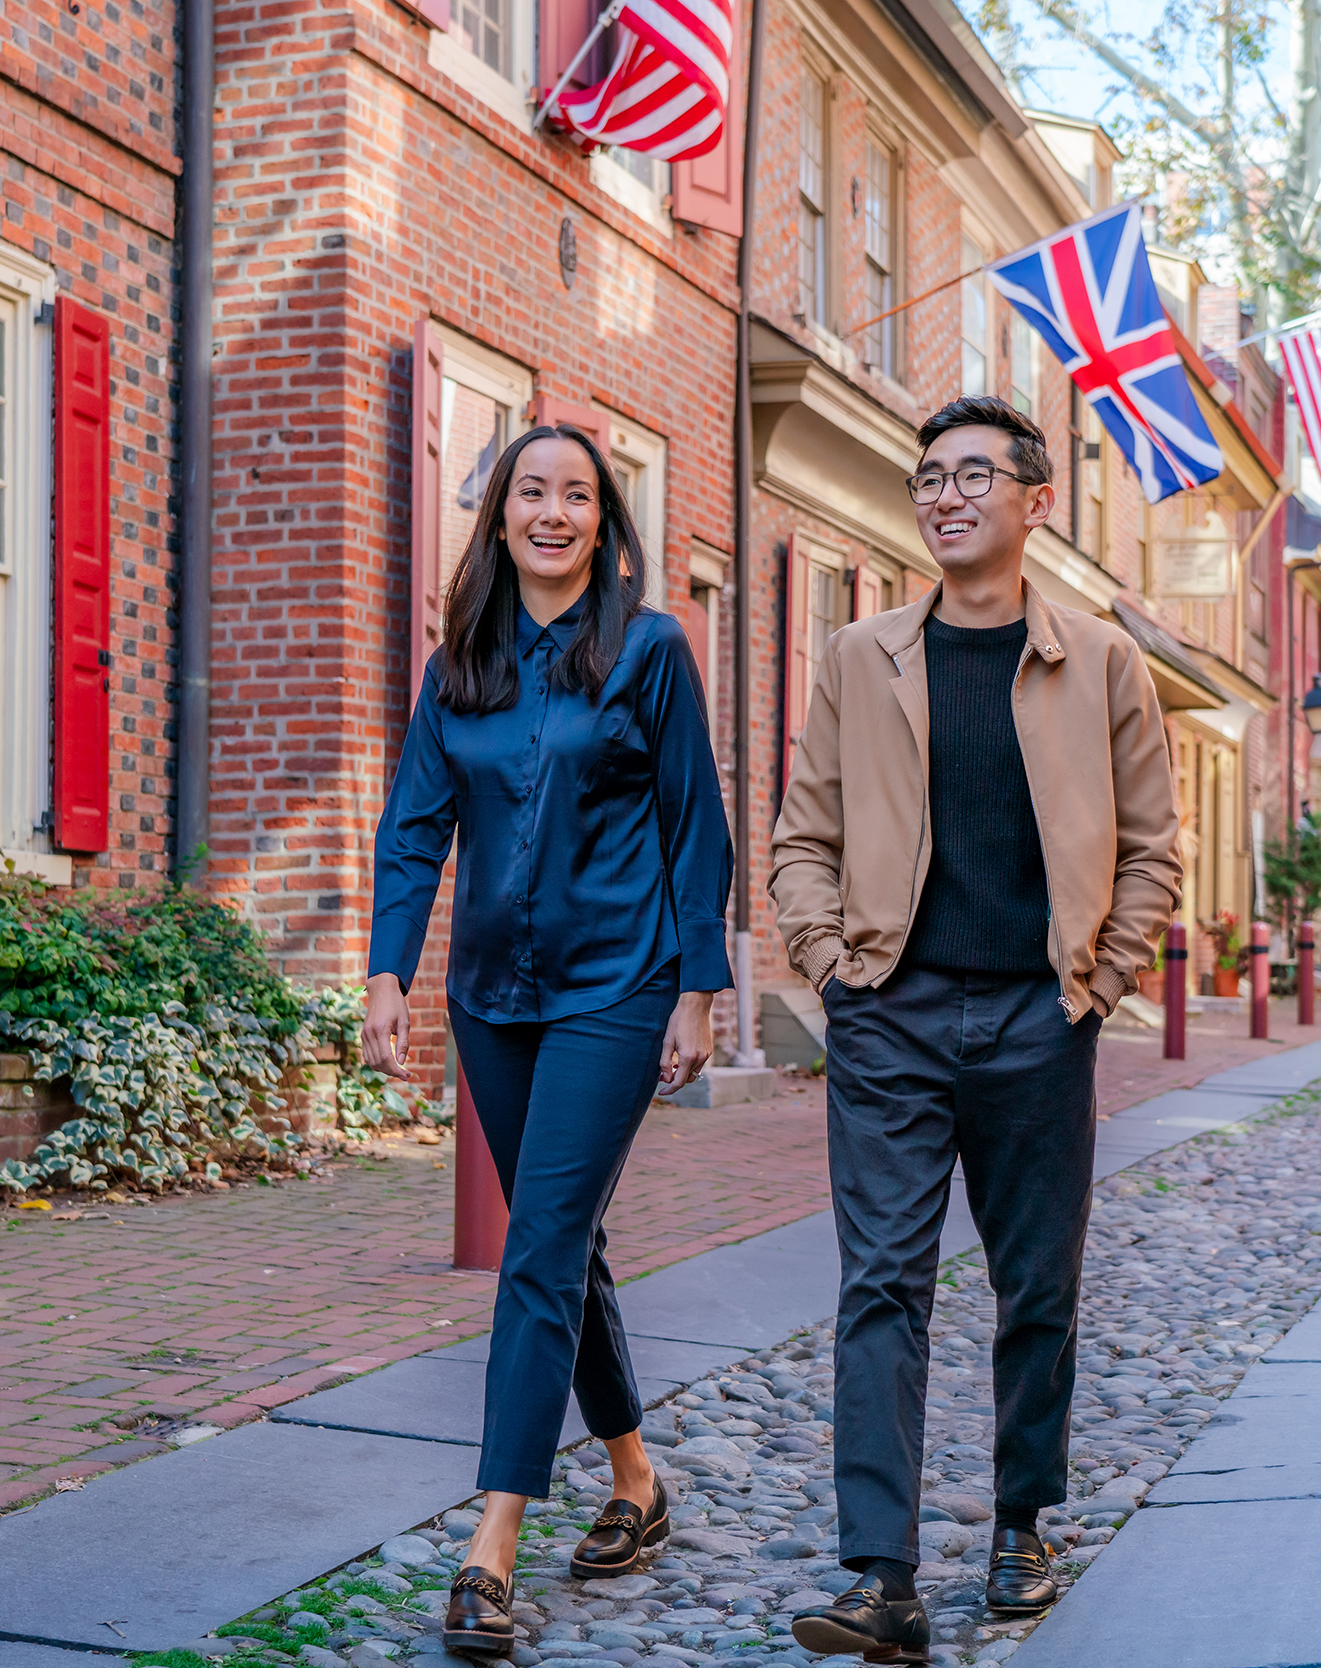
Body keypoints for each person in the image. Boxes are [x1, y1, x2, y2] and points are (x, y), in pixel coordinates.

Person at [770, 395, 1183, 1655]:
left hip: (1035, 1018)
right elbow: (803, 839)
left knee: (1034, 1290)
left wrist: (1098, 984)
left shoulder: (1101, 663)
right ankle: (880, 1578)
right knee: (880, 1288)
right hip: (889, 1015)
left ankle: (1020, 1521)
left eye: (970, 476)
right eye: (928, 477)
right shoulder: (859, 656)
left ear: (1032, 501)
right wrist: (831, 963)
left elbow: (1155, 852)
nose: (943, 495)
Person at [361, 424, 733, 1659]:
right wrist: (385, 974)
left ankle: (490, 1548)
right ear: (501, 516)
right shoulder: (458, 662)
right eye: (534, 493)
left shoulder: (649, 648)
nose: (555, 513)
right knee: (567, 1254)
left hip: (616, 990)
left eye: (578, 494)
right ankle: (637, 1481)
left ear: (603, 519)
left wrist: (697, 988)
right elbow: (414, 827)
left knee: (537, 1251)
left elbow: (696, 829)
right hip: (492, 1000)